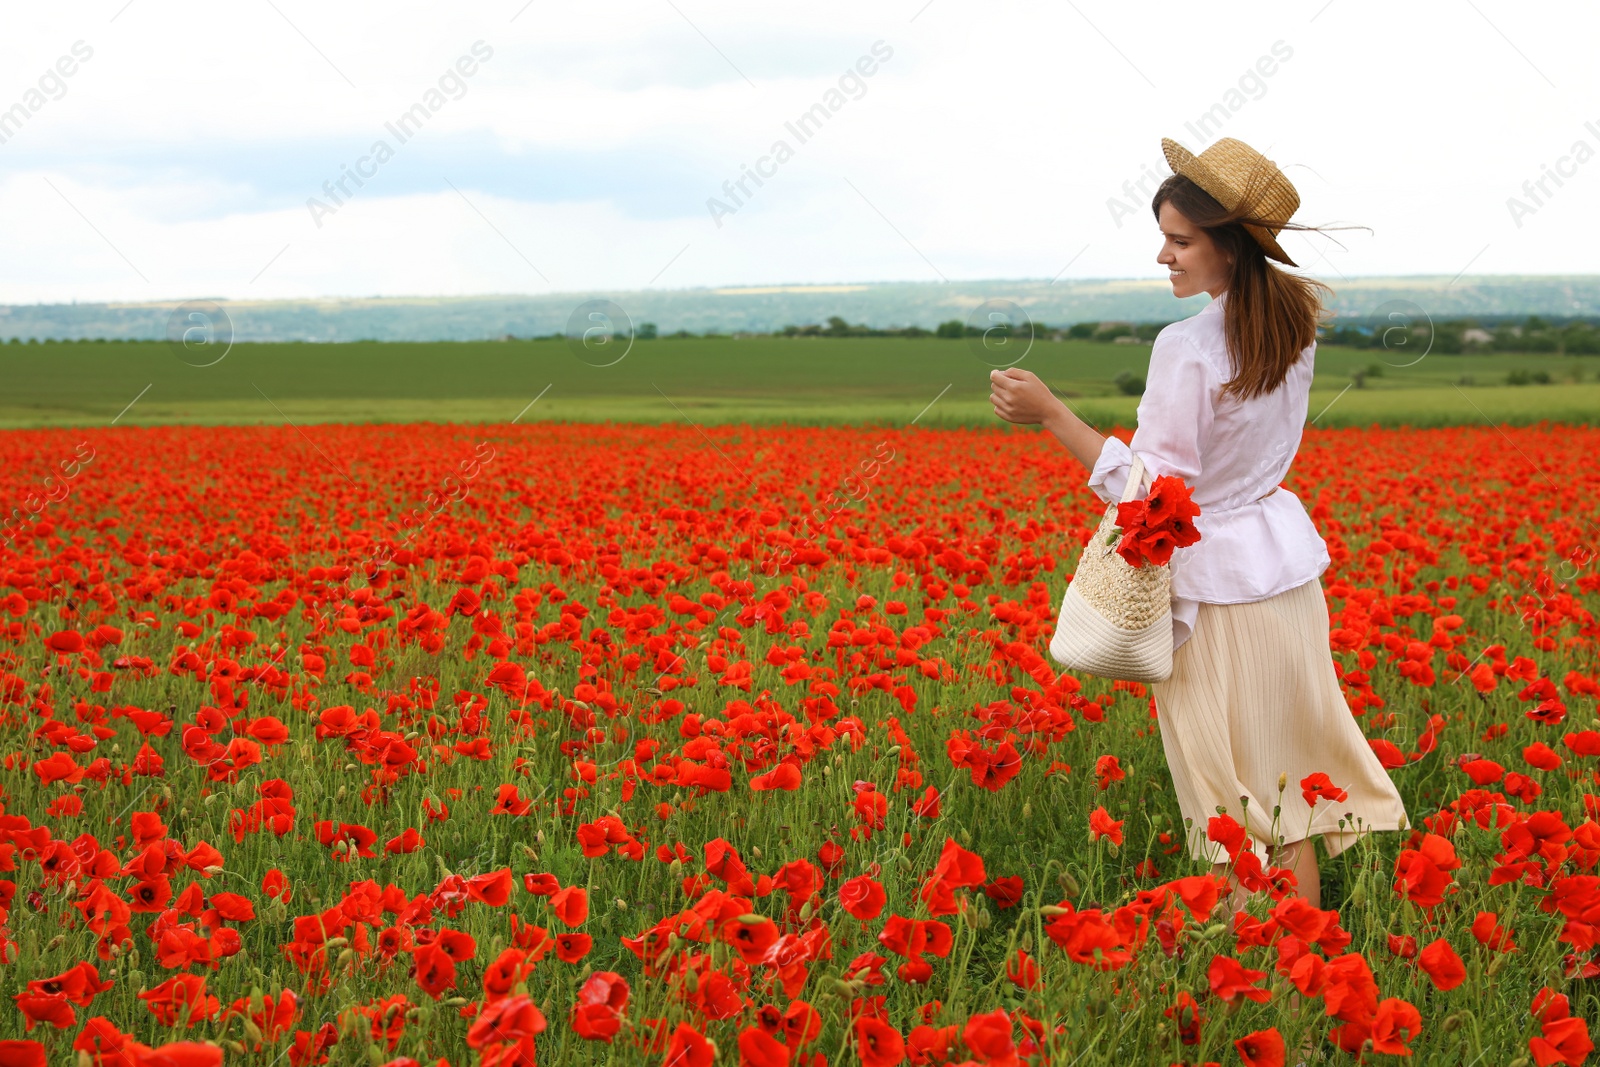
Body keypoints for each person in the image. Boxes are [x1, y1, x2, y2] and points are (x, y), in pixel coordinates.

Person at [988, 136, 1407, 912]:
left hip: (1212, 594)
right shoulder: (1295, 323)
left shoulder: (1185, 346)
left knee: (1228, 810)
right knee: (1287, 804)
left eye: (1180, 241)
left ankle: (1252, 993)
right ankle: (1304, 991)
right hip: (1283, 581)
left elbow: (1156, 497)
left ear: (1230, 246)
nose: (1164, 256)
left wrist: (1051, 415)